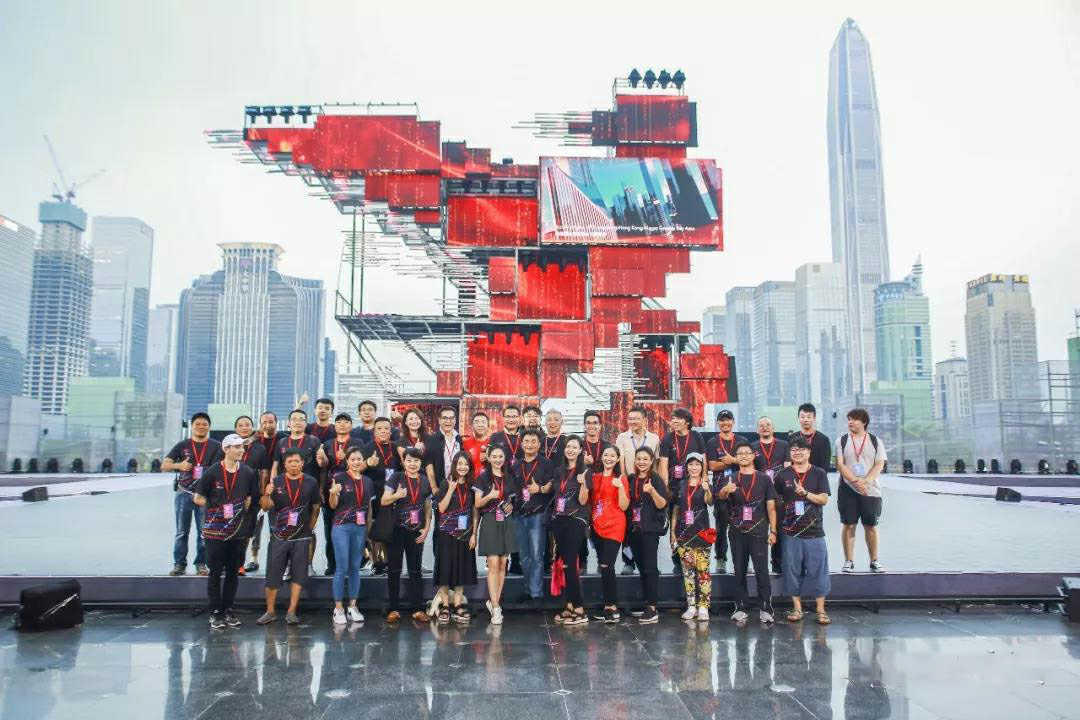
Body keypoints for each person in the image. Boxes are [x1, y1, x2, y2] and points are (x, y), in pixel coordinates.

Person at [193, 433, 259, 628]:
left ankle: (227, 609)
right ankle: (215, 612)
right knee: (215, 572)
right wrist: (217, 509)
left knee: (232, 572)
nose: (241, 450)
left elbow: (249, 499)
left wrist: (238, 517)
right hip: (215, 531)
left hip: (236, 530)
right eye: (237, 447)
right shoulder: (212, 471)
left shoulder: (247, 472)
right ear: (226, 449)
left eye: (242, 447)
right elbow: (198, 498)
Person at [257, 447, 321, 625]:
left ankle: (292, 611)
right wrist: (266, 493)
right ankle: (270, 611)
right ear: (284, 464)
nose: (293, 464)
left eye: (297, 461)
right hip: (279, 537)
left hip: (301, 537)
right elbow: (265, 507)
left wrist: (310, 528)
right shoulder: (276, 481)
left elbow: (316, 507)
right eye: (290, 461)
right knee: (273, 575)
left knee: (298, 575)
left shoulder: (311, 482)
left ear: (302, 463)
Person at [717, 441, 778, 624]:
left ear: (753, 456)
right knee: (739, 570)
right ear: (736, 457)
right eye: (740, 453)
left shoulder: (764, 479)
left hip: (759, 531)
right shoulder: (730, 478)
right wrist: (725, 490)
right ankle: (741, 607)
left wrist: (773, 531)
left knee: (762, 570)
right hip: (737, 531)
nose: (743, 456)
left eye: (747, 453)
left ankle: (765, 608)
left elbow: (771, 507)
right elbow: (720, 497)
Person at [774, 437, 832, 625]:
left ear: (809, 452)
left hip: (815, 532)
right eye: (794, 450)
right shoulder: (783, 475)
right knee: (791, 570)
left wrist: (805, 494)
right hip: (790, 532)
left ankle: (821, 609)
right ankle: (797, 608)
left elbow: (824, 499)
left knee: (819, 570)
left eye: (801, 449)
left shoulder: (819, 473)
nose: (797, 453)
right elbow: (775, 500)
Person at [163, 412, 224, 576]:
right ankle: (179, 564)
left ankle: (201, 564)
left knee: (204, 532)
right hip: (184, 493)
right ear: (192, 426)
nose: (201, 427)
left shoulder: (217, 446)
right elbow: (165, 465)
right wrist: (179, 466)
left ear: (209, 427)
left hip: (205, 496)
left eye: (204, 424)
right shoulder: (182, 445)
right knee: (181, 532)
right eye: (198, 424)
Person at [381, 447, 431, 623]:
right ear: (403, 462)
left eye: (416, 461)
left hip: (416, 530)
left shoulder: (424, 480)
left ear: (420, 462)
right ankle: (393, 608)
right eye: (409, 460)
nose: (412, 464)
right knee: (394, 569)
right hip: (396, 529)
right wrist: (397, 495)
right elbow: (384, 500)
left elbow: (427, 506)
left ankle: (417, 609)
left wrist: (427, 528)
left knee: (415, 570)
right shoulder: (396, 477)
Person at [326, 446, 375, 625]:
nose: (356, 462)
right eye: (352, 459)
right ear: (347, 461)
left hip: (360, 528)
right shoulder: (339, 478)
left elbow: (369, 507)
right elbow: (333, 505)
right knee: (341, 567)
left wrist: (368, 530)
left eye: (359, 459)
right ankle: (338, 608)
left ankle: (352, 606)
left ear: (363, 460)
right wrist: (333, 494)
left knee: (355, 567)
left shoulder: (368, 481)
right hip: (342, 526)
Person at [835, 408, 886, 573]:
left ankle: (874, 561)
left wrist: (866, 481)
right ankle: (848, 561)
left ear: (864, 422)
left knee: (870, 526)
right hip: (847, 490)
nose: (850, 422)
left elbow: (879, 464)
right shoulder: (842, 441)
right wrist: (856, 482)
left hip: (871, 491)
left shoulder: (875, 441)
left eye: (854, 419)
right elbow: (840, 465)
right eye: (849, 419)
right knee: (848, 525)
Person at [657, 408, 706, 575]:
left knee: (696, 521)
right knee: (676, 525)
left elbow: (703, 460)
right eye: (672, 418)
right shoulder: (667, 439)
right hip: (674, 489)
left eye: (678, 418)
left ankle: (697, 556)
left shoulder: (696, 436)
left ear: (687, 421)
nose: (674, 421)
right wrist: (665, 489)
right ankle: (677, 560)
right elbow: (663, 465)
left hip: (694, 487)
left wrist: (704, 481)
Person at [550, 437, 592, 626]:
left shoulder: (585, 472)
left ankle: (580, 609)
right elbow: (556, 494)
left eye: (575, 447)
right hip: (559, 519)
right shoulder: (558, 471)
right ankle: (569, 605)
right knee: (563, 565)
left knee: (569, 563)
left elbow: (583, 500)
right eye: (568, 446)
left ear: (581, 450)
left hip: (576, 520)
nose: (570, 450)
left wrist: (583, 483)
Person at [433, 452, 479, 624]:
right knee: (445, 568)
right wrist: (451, 489)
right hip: (446, 532)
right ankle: (445, 605)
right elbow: (441, 508)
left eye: (466, 464)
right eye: (459, 464)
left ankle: (458, 605)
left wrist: (474, 533)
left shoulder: (472, 485)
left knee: (462, 569)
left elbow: (475, 510)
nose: (462, 467)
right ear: (454, 465)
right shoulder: (446, 483)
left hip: (465, 533)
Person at [474, 445, 518, 625]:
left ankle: (495, 603)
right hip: (490, 520)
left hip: (506, 521)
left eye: (501, 456)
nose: (498, 459)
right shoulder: (482, 477)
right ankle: (496, 607)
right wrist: (490, 496)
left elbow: (511, 501)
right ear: (489, 458)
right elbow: (477, 503)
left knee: (502, 563)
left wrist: (510, 506)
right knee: (493, 562)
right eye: (494, 456)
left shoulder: (509, 478)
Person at [614, 405, 659, 576]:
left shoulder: (654, 439)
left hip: (648, 484)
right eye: (630, 418)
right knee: (628, 526)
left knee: (649, 524)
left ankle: (649, 562)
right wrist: (624, 485)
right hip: (630, 484)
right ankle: (628, 562)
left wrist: (655, 485)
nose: (632, 421)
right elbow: (620, 464)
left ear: (645, 420)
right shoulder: (622, 438)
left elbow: (656, 463)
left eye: (636, 418)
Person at [626, 447, 668, 624]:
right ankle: (646, 603)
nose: (641, 462)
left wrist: (651, 491)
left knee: (650, 568)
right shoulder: (631, 479)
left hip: (650, 530)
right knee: (642, 567)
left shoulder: (655, 479)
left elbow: (662, 504)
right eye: (639, 459)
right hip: (634, 530)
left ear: (651, 461)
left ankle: (652, 607)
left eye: (645, 459)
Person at [513, 428, 554, 605]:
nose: (529, 445)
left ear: (539, 445)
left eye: (533, 442)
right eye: (526, 442)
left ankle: (536, 593)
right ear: (521, 444)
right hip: (519, 515)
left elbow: (553, 486)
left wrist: (541, 489)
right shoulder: (516, 465)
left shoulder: (546, 464)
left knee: (537, 556)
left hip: (538, 514)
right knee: (524, 557)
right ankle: (527, 590)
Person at [669, 453, 712, 620]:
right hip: (683, 535)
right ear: (686, 466)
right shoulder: (681, 485)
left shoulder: (705, 484)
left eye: (697, 464)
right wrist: (673, 532)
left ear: (702, 467)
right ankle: (691, 606)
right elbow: (675, 510)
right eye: (691, 464)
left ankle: (704, 607)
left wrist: (707, 490)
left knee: (703, 573)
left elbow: (709, 502)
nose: (694, 467)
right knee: (688, 573)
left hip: (702, 535)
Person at [590, 445, 629, 623]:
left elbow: (624, 506)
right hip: (597, 526)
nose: (609, 458)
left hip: (614, 526)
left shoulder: (620, 478)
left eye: (612, 455)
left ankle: (611, 606)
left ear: (618, 459)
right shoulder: (595, 477)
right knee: (604, 566)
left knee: (607, 565)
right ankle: (608, 603)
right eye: (606, 455)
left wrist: (620, 487)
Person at [317, 412, 355, 577]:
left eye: (346, 422)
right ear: (335, 425)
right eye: (339, 422)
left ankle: (349, 564)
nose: (342, 424)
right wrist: (321, 488)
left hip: (351, 491)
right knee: (330, 529)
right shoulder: (327, 443)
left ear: (351, 425)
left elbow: (360, 465)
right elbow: (323, 468)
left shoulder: (356, 442)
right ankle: (332, 564)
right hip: (330, 490)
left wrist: (345, 458)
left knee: (350, 528)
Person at [361, 416, 398, 576]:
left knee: (389, 530)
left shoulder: (396, 447)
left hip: (393, 494)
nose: (383, 431)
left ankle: (389, 562)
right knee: (374, 530)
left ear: (391, 431)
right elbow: (356, 468)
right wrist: (368, 463)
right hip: (374, 494)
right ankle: (375, 562)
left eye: (386, 428)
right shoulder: (367, 447)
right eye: (379, 429)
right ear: (374, 431)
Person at [233, 415, 270, 576]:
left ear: (252, 427)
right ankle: (231, 562)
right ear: (235, 429)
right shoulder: (229, 446)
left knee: (250, 528)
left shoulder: (259, 448)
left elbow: (264, 472)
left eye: (247, 424)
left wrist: (262, 493)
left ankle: (244, 562)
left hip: (253, 493)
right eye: (240, 425)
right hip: (231, 494)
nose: (244, 427)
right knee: (232, 528)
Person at [752, 416, 790, 574]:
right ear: (757, 430)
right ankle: (759, 566)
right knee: (759, 531)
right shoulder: (752, 447)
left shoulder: (784, 445)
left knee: (778, 530)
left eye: (768, 425)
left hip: (778, 495)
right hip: (759, 496)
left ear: (773, 428)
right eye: (761, 425)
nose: (765, 427)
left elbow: (788, 468)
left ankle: (777, 564)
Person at [245, 411, 280, 572]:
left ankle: (275, 559)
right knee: (255, 525)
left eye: (271, 422)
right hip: (256, 487)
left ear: (276, 423)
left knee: (275, 525)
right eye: (264, 422)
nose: (268, 425)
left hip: (276, 487)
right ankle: (253, 559)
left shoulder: (283, 438)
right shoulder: (255, 440)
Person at [705, 409, 738, 574]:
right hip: (720, 493)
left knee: (741, 528)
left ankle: (742, 559)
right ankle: (720, 559)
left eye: (728, 420)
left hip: (740, 492)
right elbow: (712, 465)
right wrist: (733, 462)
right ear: (718, 423)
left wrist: (732, 460)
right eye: (722, 420)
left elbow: (747, 461)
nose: (725, 423)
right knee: (721, 529)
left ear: (733, 422)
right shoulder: (712, 442)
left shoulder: (742, 441)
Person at [796, 403, 833, 471]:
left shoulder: (823, 440)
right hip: (795, 476)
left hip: (817, 476)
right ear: (798, 418)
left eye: (809, 417)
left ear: (814, 418)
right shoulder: (792, 439)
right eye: (802, 417)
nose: (805, 420)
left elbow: (825, 465)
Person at [462, 411, 491, 477]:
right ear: (471, 426)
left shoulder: (493, 443)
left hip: (489, 481)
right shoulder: (464, 443)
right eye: (476, 422)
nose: (480, 425)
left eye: (483, 422)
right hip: (470, 481)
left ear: (488, 426)